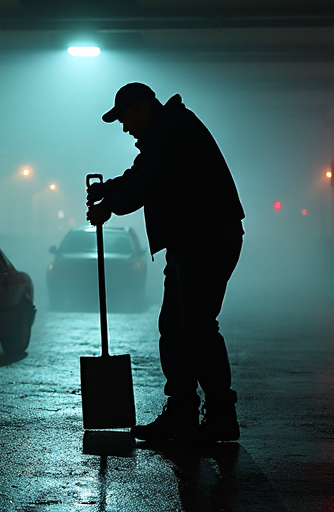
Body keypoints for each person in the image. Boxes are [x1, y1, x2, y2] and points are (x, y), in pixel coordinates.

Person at [86, 82, 245, 443]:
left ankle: (220, 415)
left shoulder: (174, 129)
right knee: (175, 327)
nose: (124, 127)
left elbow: (152, 180)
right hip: (191, 241)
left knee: (197, 328)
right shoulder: (165, 132)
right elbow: (140, 174)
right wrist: (107, 189)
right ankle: (182, 414)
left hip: (207, 238)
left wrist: (110, 205)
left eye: (124, 118)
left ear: (143, 108)